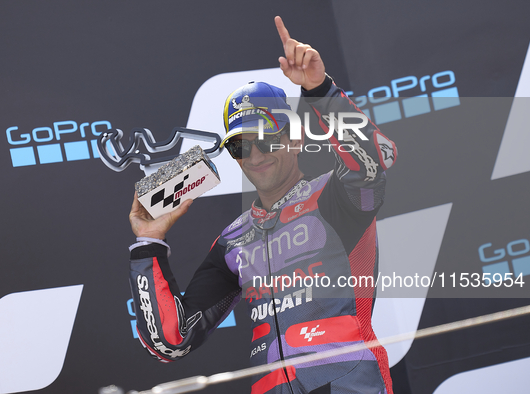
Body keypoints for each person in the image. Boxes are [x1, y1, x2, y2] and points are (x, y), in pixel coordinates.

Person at [128, 16, 397, 394]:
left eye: (266, 138)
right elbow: (171, 340)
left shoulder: (338, 197)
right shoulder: (233, 241)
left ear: (295, 140)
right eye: (240, 145)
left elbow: (376, 157)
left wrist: (320, 90)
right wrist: (149, 244)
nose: (254, 155)